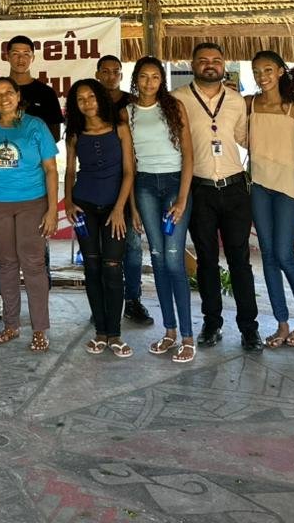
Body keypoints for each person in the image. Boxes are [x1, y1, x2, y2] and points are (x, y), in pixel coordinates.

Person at [173, 42, 262, 352]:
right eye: (203, 60)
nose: (210, 64)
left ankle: (249, 328)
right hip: (199, 189)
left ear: (224, 64)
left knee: (240, 261)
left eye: (216, 60)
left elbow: (244, 138)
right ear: (192, 64)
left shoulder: (237, 101)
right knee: (207, 261)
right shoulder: (177, 99)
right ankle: (212, 324)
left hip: (235, 188)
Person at [0, 77, 58, 352]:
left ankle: (39, 329)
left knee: (33, 264)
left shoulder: (35, 125)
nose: (4, 97)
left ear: (18, 96)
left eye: (9, 92)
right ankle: (11, 325)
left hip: (32, 203)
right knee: (5, 264)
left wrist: (53, 210)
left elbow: (51, 169)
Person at [0, 35, 63, 319]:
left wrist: (26, 147)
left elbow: (53, 141)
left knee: (35, 258)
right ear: (7, 56)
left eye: (26, 53)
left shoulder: (44, 96)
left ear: (33, 57)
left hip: (32, 194)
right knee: (3, 258)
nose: (21, 58)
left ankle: (40, 317)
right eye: (15, 53)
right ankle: (0, 298)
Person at [62, 79, 135, 358]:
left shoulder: (120, 128)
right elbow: (70, 171)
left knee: (113, 267)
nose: (87, 103)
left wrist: (119, 209)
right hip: (85, 207)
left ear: (100, 98)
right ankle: (100, 332)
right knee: (92, 267)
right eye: (80, 99)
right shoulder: (74, 134)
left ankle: (115, 333)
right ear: (75, 105)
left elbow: (129, 172)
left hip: (116, 207)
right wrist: (69, 202)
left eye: (91, 96)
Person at [130, 56, 196, 363]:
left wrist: (182, 198)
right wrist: (133, 207)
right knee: (156, 256)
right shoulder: (128, 112)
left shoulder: (174, 107)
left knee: (173, 258)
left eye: (155, 77)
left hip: (174, 184)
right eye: (144, 77)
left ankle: (187, 337)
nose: (149, 82)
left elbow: (189, 155)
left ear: (162, 80)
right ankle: (169, 332)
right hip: (144, 185)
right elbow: (129, 164)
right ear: (136, 79)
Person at [248, 50, 294, 349]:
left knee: (285, 254)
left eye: (267, 70)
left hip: (288, 186)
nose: (262, 76)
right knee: (268, 256)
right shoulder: (250, 104)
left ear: (280, 71)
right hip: (260, 185)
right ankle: (282, 323)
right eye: (256, 71)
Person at [96, 54, 152, 327]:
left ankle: (132, 300)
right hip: (97, 183)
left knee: (131, 245)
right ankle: (104, 301)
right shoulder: (89, 101)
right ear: (97, 74)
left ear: (121, 74)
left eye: (115, 71)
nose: (110, 76)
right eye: (105, 71)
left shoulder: (132, 104)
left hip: (130, 180)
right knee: (100, 248)